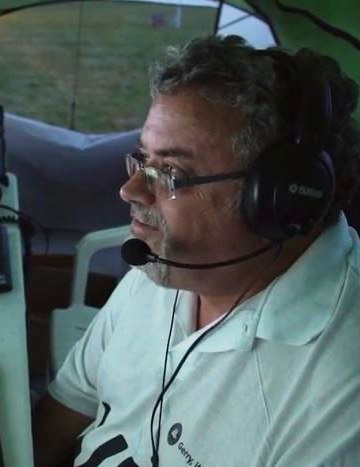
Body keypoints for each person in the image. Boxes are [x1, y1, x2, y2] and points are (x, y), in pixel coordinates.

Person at [32, 35, 360, 467]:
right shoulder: (167, 265)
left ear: (281, 201)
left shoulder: (342, 398)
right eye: (142, 160)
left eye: (171, 172)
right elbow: (66, 408)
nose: (130, 190)